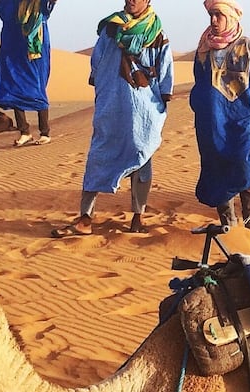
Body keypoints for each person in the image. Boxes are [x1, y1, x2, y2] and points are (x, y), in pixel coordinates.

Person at [51, 0, 173, 236]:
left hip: (143, 111)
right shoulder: (111, 28)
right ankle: (85, 217)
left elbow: (165, 71)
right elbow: (98, 62)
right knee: (99, 156)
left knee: (142, 156)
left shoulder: (156, 33)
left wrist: (159, 107)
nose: (131, 0)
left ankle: (138, 216)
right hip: (111, 106)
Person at [191, 0, 250, 233]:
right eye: (211, 15)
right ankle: (228, 220)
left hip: (240, 120)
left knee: (242, 160)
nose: (214, 21)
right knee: (216, 164)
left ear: (231, 17)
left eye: (219, 15)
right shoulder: (204, 49)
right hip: (211, 122)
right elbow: (199, 80)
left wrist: (246, 109)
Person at [0, 0, 57, 147]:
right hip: (13, 46)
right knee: (14, 86)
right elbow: (0, 8)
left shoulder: (39, 3)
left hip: (34, 49)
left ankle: (45, 132)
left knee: (37, 86)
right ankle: (24, 131)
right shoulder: (11, 4)